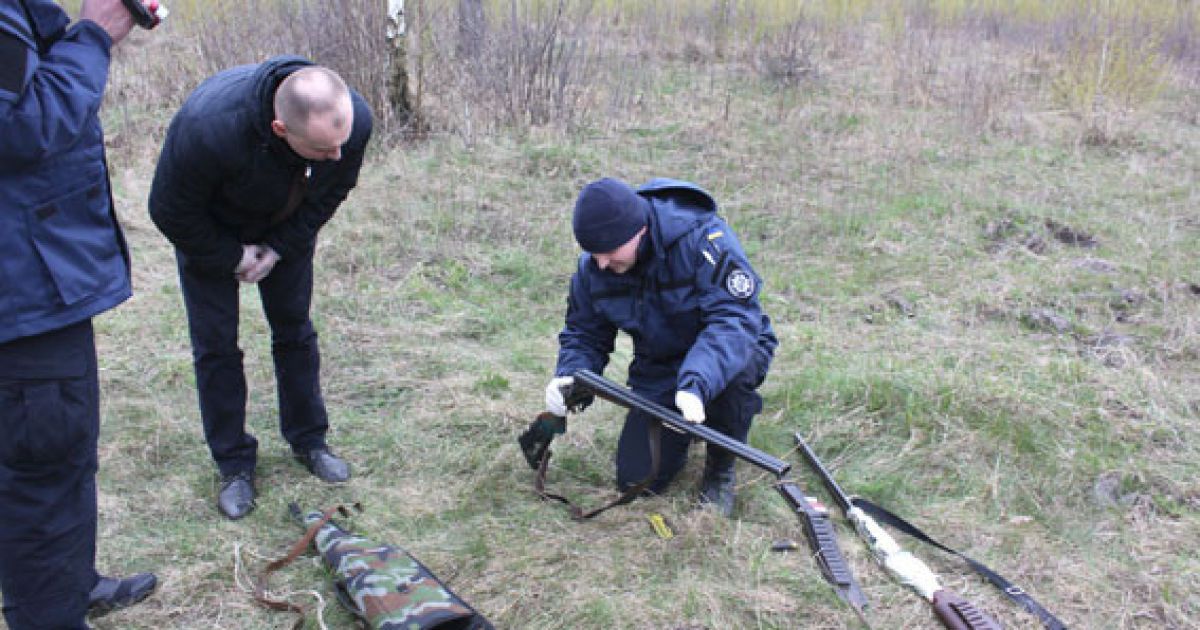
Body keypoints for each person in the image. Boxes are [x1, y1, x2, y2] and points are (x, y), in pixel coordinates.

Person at [148, 56, 372, 520]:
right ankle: (233, 464)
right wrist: (231, 256)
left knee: (294, 330)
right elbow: (169, 210)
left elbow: (332, 191)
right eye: (323, 150)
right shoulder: (208, 129)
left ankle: (309, 440)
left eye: (341, 145)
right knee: (216, 347)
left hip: (284, 229)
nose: (337, 156)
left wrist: (279, 247)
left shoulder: (349, 121)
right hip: (210, 232)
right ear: (280, 129)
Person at [0, 0, 160, 626]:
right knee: (46, 466)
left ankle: (70, 582)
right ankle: (50, 612)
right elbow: (22, 126)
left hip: (33, 285)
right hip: (21, 300)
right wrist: (94, 35)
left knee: (58, 457)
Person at [546, 177, 777, 517]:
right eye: (593, 254)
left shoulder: (704, 242)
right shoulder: (594, 268)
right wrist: (569, 377)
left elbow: (734, 321)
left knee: (735, 374)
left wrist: (697, 382)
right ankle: (682, 429)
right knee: (635, 482)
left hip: (730, 351)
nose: (602, 264)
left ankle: (719, 467)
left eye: (609, 252)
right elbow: (584, 333)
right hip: (661, 366)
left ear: (638, 231)